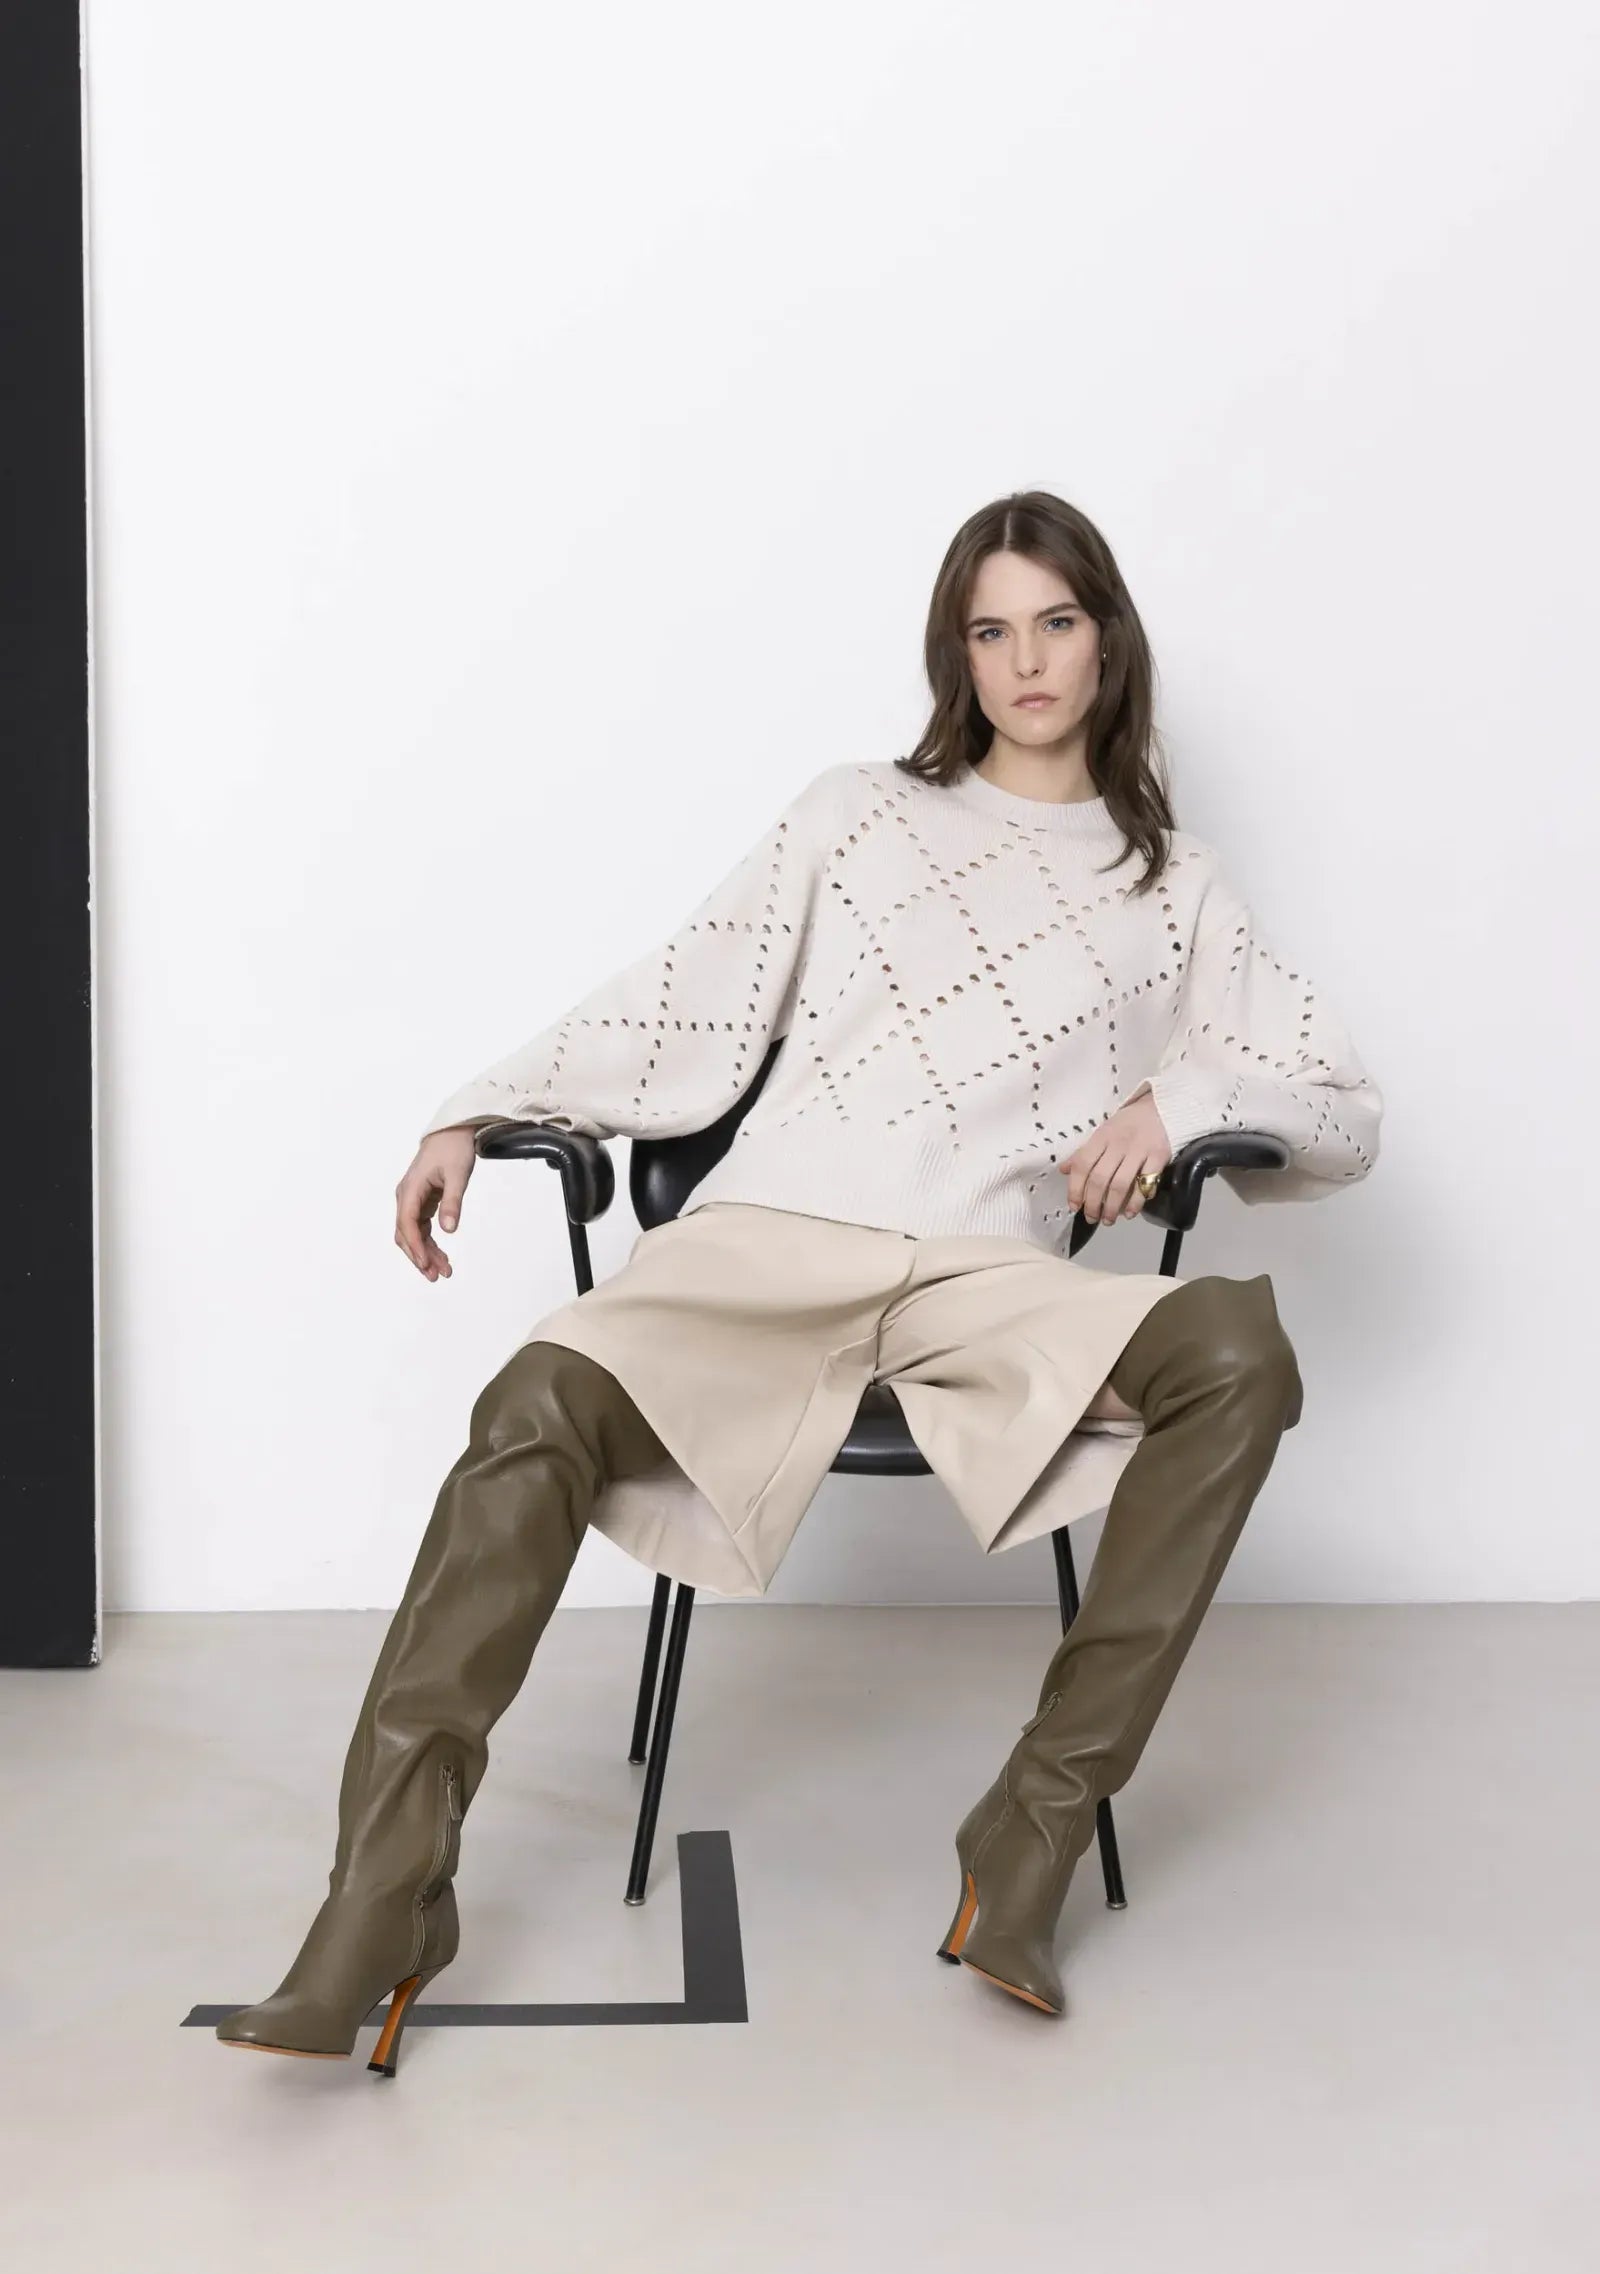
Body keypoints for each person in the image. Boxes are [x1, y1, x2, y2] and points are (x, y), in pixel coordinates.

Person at [217, 489, 1381, 2068]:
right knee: (536, 1398)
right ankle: (383, 1893)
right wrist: (476, 1107)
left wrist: (1175, 1104)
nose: (1027, 661)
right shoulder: (858, 814)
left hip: (982, 1275)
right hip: (770, 1243)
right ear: (955, 654)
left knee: (1241, 1353)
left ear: (1108, 637)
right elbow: (681, 995)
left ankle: (1034, 1820)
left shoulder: (1173, 883)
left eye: (1056, 622)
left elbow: (1341, 1106)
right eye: (990, 631)